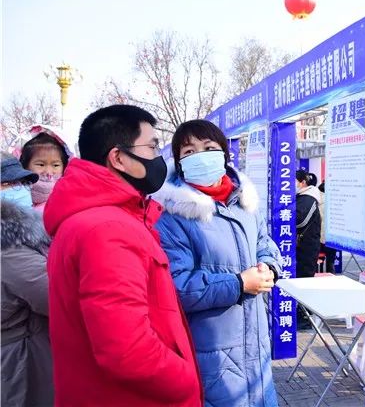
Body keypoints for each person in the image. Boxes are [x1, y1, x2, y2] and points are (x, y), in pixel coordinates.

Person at [43, 105, 202, 407]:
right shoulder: (108, 229)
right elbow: (127, 350)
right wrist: (186, 381)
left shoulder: (95, 219)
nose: (158, 158)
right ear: (118, 158)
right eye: (152, 147)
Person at [154, 119, 281, 407]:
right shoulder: (171, 215)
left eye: (209, 148)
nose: (200, 156)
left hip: (256, 345)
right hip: (210, 351)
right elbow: (175, 286)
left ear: (224, 154)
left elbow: (265, 244)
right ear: (179, 162)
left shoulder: (245, 203)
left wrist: (269, 268)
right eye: (189, 151)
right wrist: (238, 284)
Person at [1, 153, 54, 406]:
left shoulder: (22, 236)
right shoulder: (9, 248)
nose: (19, 189)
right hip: (21, 360)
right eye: (8, 184)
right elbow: (54, 295)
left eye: (22, 183)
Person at [18, 126, 73, 213]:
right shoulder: (13, 196)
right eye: (41, 165)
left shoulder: (70, 202)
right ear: (25, 166)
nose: (48, 172)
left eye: (55, 165)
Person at [295, 170, 322, 279]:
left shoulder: (308, 198)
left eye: (294, 181)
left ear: (303, 182)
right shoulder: (301, 196)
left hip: (307, 247)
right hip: (302, 245)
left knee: (304, 278)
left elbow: (300, 220)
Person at [316, 181, 336, 273]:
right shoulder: (334, 202)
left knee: (317, 261)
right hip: (331, 238)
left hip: (318, 238)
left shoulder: (315, 202)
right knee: (331, 262)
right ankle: (331, 277)